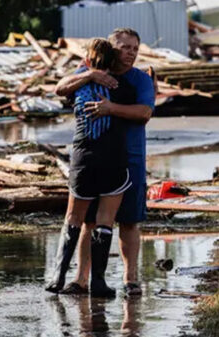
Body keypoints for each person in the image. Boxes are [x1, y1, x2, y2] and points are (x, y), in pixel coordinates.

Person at [54, 28, 155, 297]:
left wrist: (111, 109)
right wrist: (89, 74)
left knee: (130, 221)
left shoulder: (140, 81)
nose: (130, 52)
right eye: (124, 47)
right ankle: (81, 279)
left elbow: (144, 112)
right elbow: (60, 88)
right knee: (89, 221)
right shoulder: (90, 70)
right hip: (94, 158)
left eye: (134, 48)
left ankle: (130, 279)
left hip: (130, 158)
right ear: (111, 49)